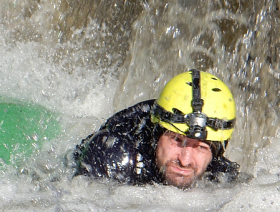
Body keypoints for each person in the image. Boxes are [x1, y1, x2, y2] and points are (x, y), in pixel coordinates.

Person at [74, 69, 239, 188]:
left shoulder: (221, 174)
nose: (185, 160)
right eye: (177, 140)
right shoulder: (115, 154)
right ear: (156, 135)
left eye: (201, 147)